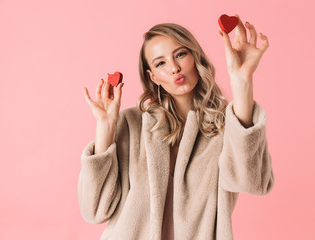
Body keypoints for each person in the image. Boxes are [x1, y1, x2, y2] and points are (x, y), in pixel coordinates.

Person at [79, 14, 274, 240]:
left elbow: (252, 182)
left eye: (180, 54)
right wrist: (105, 126)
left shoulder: (224, 126)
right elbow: (94, 211)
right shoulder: (131, 125)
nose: (174, 68)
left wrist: (242, 81)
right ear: (153, 77)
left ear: (195, 57)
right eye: (160, 63)